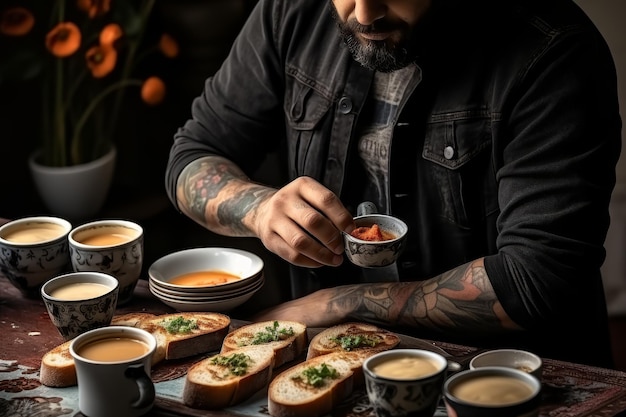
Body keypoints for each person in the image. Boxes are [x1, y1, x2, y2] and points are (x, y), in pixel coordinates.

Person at [165, 0, 622, 368]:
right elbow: (192, 157)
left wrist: (339, 304)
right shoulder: (289, 11)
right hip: (331, 366)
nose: (363, 14)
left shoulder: (553, 51)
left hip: (508, 375)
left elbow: (538, 280)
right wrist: (260, 209)